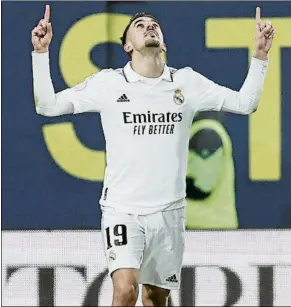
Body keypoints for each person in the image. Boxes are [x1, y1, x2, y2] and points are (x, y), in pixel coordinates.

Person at [31, 5, 275, 306]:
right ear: (127, 46)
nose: (149, 27)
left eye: (154, 25)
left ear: (164, 42)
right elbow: (47, 106)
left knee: (156, 297)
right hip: (122, 209)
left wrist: (260, 57)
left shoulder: (186, 83)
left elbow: (245, 103)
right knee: (125, 290)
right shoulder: (108, 84)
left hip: (169, 213)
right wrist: (40, 54)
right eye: (140, 25)